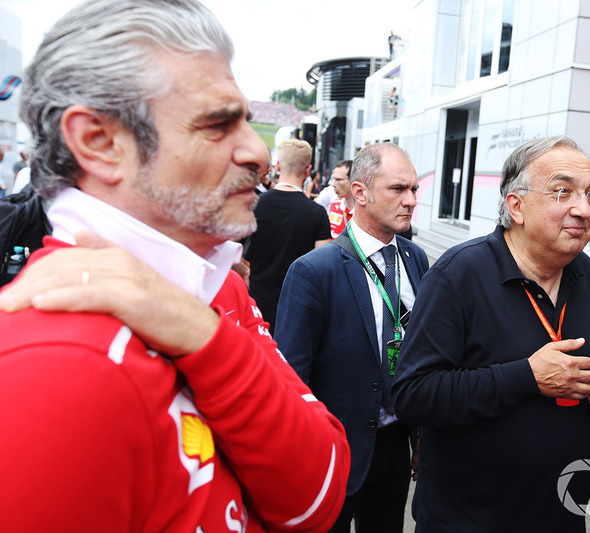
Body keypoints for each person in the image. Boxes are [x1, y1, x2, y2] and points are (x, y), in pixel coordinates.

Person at [0, 1, 349, 531]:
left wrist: (200, 333)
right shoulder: (50, 369)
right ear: (100, 142)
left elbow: (316, 497)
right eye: (217, 124)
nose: (258, 151)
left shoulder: (212, 285)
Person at [393, 136, 590, 532]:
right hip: (471, 519)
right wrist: (527, 377)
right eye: (562, 192)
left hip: (563, 511)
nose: (583, 209)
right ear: (516, 206)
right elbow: (412, 395)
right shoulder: (459, 275)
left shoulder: (585, 273)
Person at [275, 143, 429, 533]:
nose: (411, 201)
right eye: (398, 189)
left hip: (395, 444)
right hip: (333, 446)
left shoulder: (416, 260)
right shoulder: (313, 271)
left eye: (413, 189)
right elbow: (292, 376)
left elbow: (423, 354)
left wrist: (420, 436)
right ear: (360, 193)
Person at [245, 139, 331, 334]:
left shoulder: (254, 204)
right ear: (308, 170)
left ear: (277, 165)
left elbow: (235, 251)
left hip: (257, 303)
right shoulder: (317, 213)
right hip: (299, 306)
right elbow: (322, 268)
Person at [328, 160, 354, 238]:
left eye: (338, 180)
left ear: (353, 181)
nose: (333, 184)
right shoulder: (334, 204)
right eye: (333, 179)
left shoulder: (366, 211)